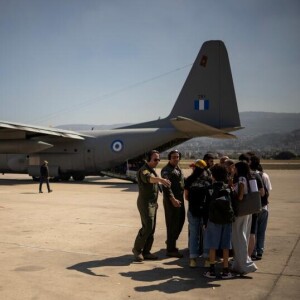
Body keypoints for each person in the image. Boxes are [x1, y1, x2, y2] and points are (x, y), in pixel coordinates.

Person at [132, 150, 171, 262]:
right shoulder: (144, 170)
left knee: (152, 228)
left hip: (153, 203)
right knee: (148, 226)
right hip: (145, 203)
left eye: (158, 159)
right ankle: (137, 249)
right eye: (155, 159)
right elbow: (150, 179)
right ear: (148, 159)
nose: (157, 161)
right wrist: (160, 180)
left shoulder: (152, 170)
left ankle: (147, 251)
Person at [203, 164, 235, 279]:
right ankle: (225, 270)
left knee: (213, 245)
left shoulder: (209, 189)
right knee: (226, 245)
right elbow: (233, 204)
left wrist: (205, 222)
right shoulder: (228, 188)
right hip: (227, 220)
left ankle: (211, 270)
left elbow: (206, 206)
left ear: (213, 176)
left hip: (213, 220)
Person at [231, 161, 258, 275]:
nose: (234, 170)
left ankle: (245, 264)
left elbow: (241, 196)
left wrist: (233, 190)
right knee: (244, 234)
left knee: (238, 237)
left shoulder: (241, 179)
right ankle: (239, 265)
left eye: (235, 168)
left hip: (240, 211)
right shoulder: (251, 177)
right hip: (249, 210)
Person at [184, 159, 211, 268]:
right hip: (206, 211)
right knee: (206, 235)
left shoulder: (189, 179)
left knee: (194, 234)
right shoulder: (208, 180)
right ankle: (207, 259)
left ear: (195, 167)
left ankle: (192, 259)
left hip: (193, 210)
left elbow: (186, 196)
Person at [161, 150, 185, 258]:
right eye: (174, 157)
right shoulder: (166, 170)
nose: (176, 159)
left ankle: (171, 241)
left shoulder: (178, 169)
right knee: (172, 224)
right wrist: (172, 199)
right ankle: (171, 249)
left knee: (180, 221)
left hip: (180, 200)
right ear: (169, 158)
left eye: (177, 157)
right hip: (172, 201)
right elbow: (166, 186)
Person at [250, 155, 272, 260]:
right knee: (261, 231)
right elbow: (268, 191)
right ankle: (260, 251)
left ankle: (253, 251)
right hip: (265, 207)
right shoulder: (265, 175)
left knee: (253, 231)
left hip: (254, 207)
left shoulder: (251, 175)